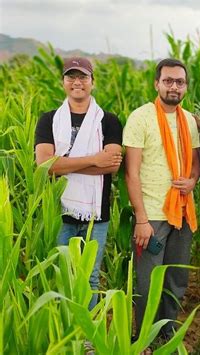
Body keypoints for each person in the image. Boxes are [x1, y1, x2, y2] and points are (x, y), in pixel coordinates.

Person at [34, 57, 123, 309]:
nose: (77, 82)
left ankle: (87, 338)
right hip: (59, 211)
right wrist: (95, 160)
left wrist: (62, 164)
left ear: (92, 82)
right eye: (71, 77)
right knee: (61, 274)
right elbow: (44, 166)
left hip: (97, 215)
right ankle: (64, 331)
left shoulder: (109, 121)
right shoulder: (49, 119)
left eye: (83, 77)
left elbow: (112, 165)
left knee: (90, 276)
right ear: (63, 82)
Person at [123, 58, 200, 345]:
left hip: (182, 210)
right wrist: (141, 218)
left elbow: (194, 165)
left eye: (179, 82)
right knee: (147, 281)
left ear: (186, 87)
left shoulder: (189, 120)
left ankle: (166, 333)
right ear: (157, 83)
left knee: (176, 278)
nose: (174, 86)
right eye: (168, 80)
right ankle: (144, 338)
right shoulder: (141, 117)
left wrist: (192, 181)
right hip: (152, 215)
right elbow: (131, 173)